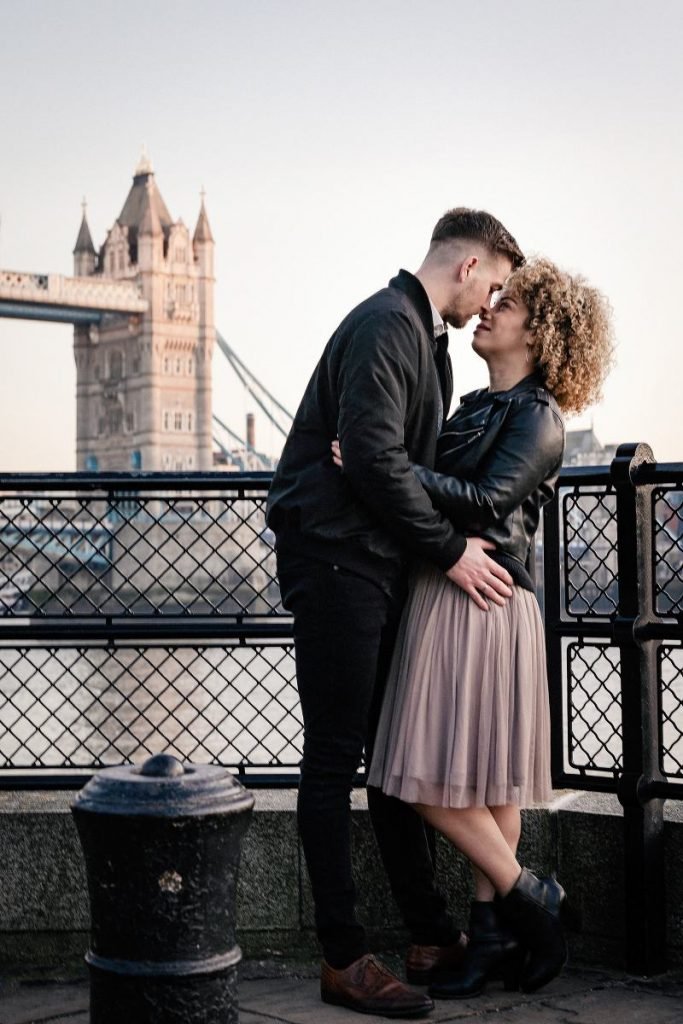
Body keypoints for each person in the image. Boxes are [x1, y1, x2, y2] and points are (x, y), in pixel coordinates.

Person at [266, 208, 525, 1018]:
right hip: (336, 559)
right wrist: (450, 552)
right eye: (494, 285)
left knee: (387, 758)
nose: (489, 303)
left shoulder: (420, 338)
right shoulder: (386, 325)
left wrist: (427, 529)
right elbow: (377, 463)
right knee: (334, 757)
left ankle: (429, 936)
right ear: (468, 265)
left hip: (371, 562)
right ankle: (343, 959)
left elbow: (391, 465)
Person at [357, 256, 614, 999]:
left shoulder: (539, 417)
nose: (489, 308)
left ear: (540, 334)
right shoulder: (471, 406)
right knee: (476, 775)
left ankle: (519, 903)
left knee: (421, 773)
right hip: (444, 586)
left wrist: (389, 464)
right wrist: (400, 471)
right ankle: (508, 920)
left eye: (509, 304)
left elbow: (482, 500)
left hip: (489, 598)